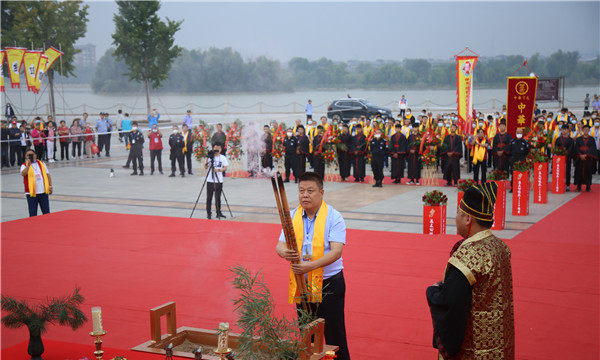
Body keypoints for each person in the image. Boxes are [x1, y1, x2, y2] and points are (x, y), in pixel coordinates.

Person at [426, 181, 514, 359]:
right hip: (499, 345)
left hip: (474, 351)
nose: (456, 218)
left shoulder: (467, 257)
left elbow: (451, 305)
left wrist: (433, 292)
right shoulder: (500, 247)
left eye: (458, 213)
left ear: (468, 219)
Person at [275, 172, 351, 360]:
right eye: (301, 191)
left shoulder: (334, 217)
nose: (305, 195)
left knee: (334, 334)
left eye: (310, 191)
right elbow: (280, 244)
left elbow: (336, 252)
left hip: (329, 285)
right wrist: (284, 252)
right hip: (303, 284)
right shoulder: (292, 215)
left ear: (321, 192)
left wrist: (310, 266)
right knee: (306, 333)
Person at [20, 148, 53, 217]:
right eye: (28, 155)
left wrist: (50, 186)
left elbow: (47, 175)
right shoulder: (24, 165)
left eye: (32, 154)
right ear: (25, 157)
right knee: (33, 213)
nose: (30, 156)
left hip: (43, 192)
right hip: (31, 193)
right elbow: (23, 174)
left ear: (35, 155)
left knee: (46, 212)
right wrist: (28, 165)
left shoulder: (41, 163)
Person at [205, 143, 229, 220]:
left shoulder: (223, 158)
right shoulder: (210, 157)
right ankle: (209, 213)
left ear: (221, 149)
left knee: (218, 197)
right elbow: (205, 167)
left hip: (219, 180)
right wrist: (208, 158)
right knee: (209, 198)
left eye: (218, 148)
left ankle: (218, 212)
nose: (217, 149)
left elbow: (225, 168)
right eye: (215, 148)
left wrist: (218, 170)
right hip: (210, 180)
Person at [573, 125, 598, 192]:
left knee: (588, 173)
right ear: (582, 130)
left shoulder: (591, 139)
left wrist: (586, 155)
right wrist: (580, 155)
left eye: (587, 129)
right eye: (584, 129)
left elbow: (592, 148)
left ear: (589, 130)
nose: (586, 130)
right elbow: (577, 148)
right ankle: (578, 187)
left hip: (588, 158)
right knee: (578, 172)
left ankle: (588, 187)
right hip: (580, 158)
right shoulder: (578, 139)